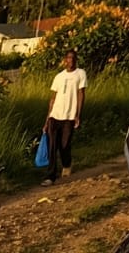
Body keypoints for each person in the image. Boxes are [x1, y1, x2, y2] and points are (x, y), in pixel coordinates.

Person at [43, 48, 86, 183]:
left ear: (76, 60)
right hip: (55, 115)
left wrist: (78, 115)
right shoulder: (59, 77)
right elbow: (53, 98)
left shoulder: (80, 74)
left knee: (64, 145)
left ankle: (67, 164)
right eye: (68, 58)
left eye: (73, 58)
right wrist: (47, 120)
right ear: (65, 60)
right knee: (52, 146)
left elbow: (81, 94)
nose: (70, 60)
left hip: (69, 116)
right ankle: (50, 176)